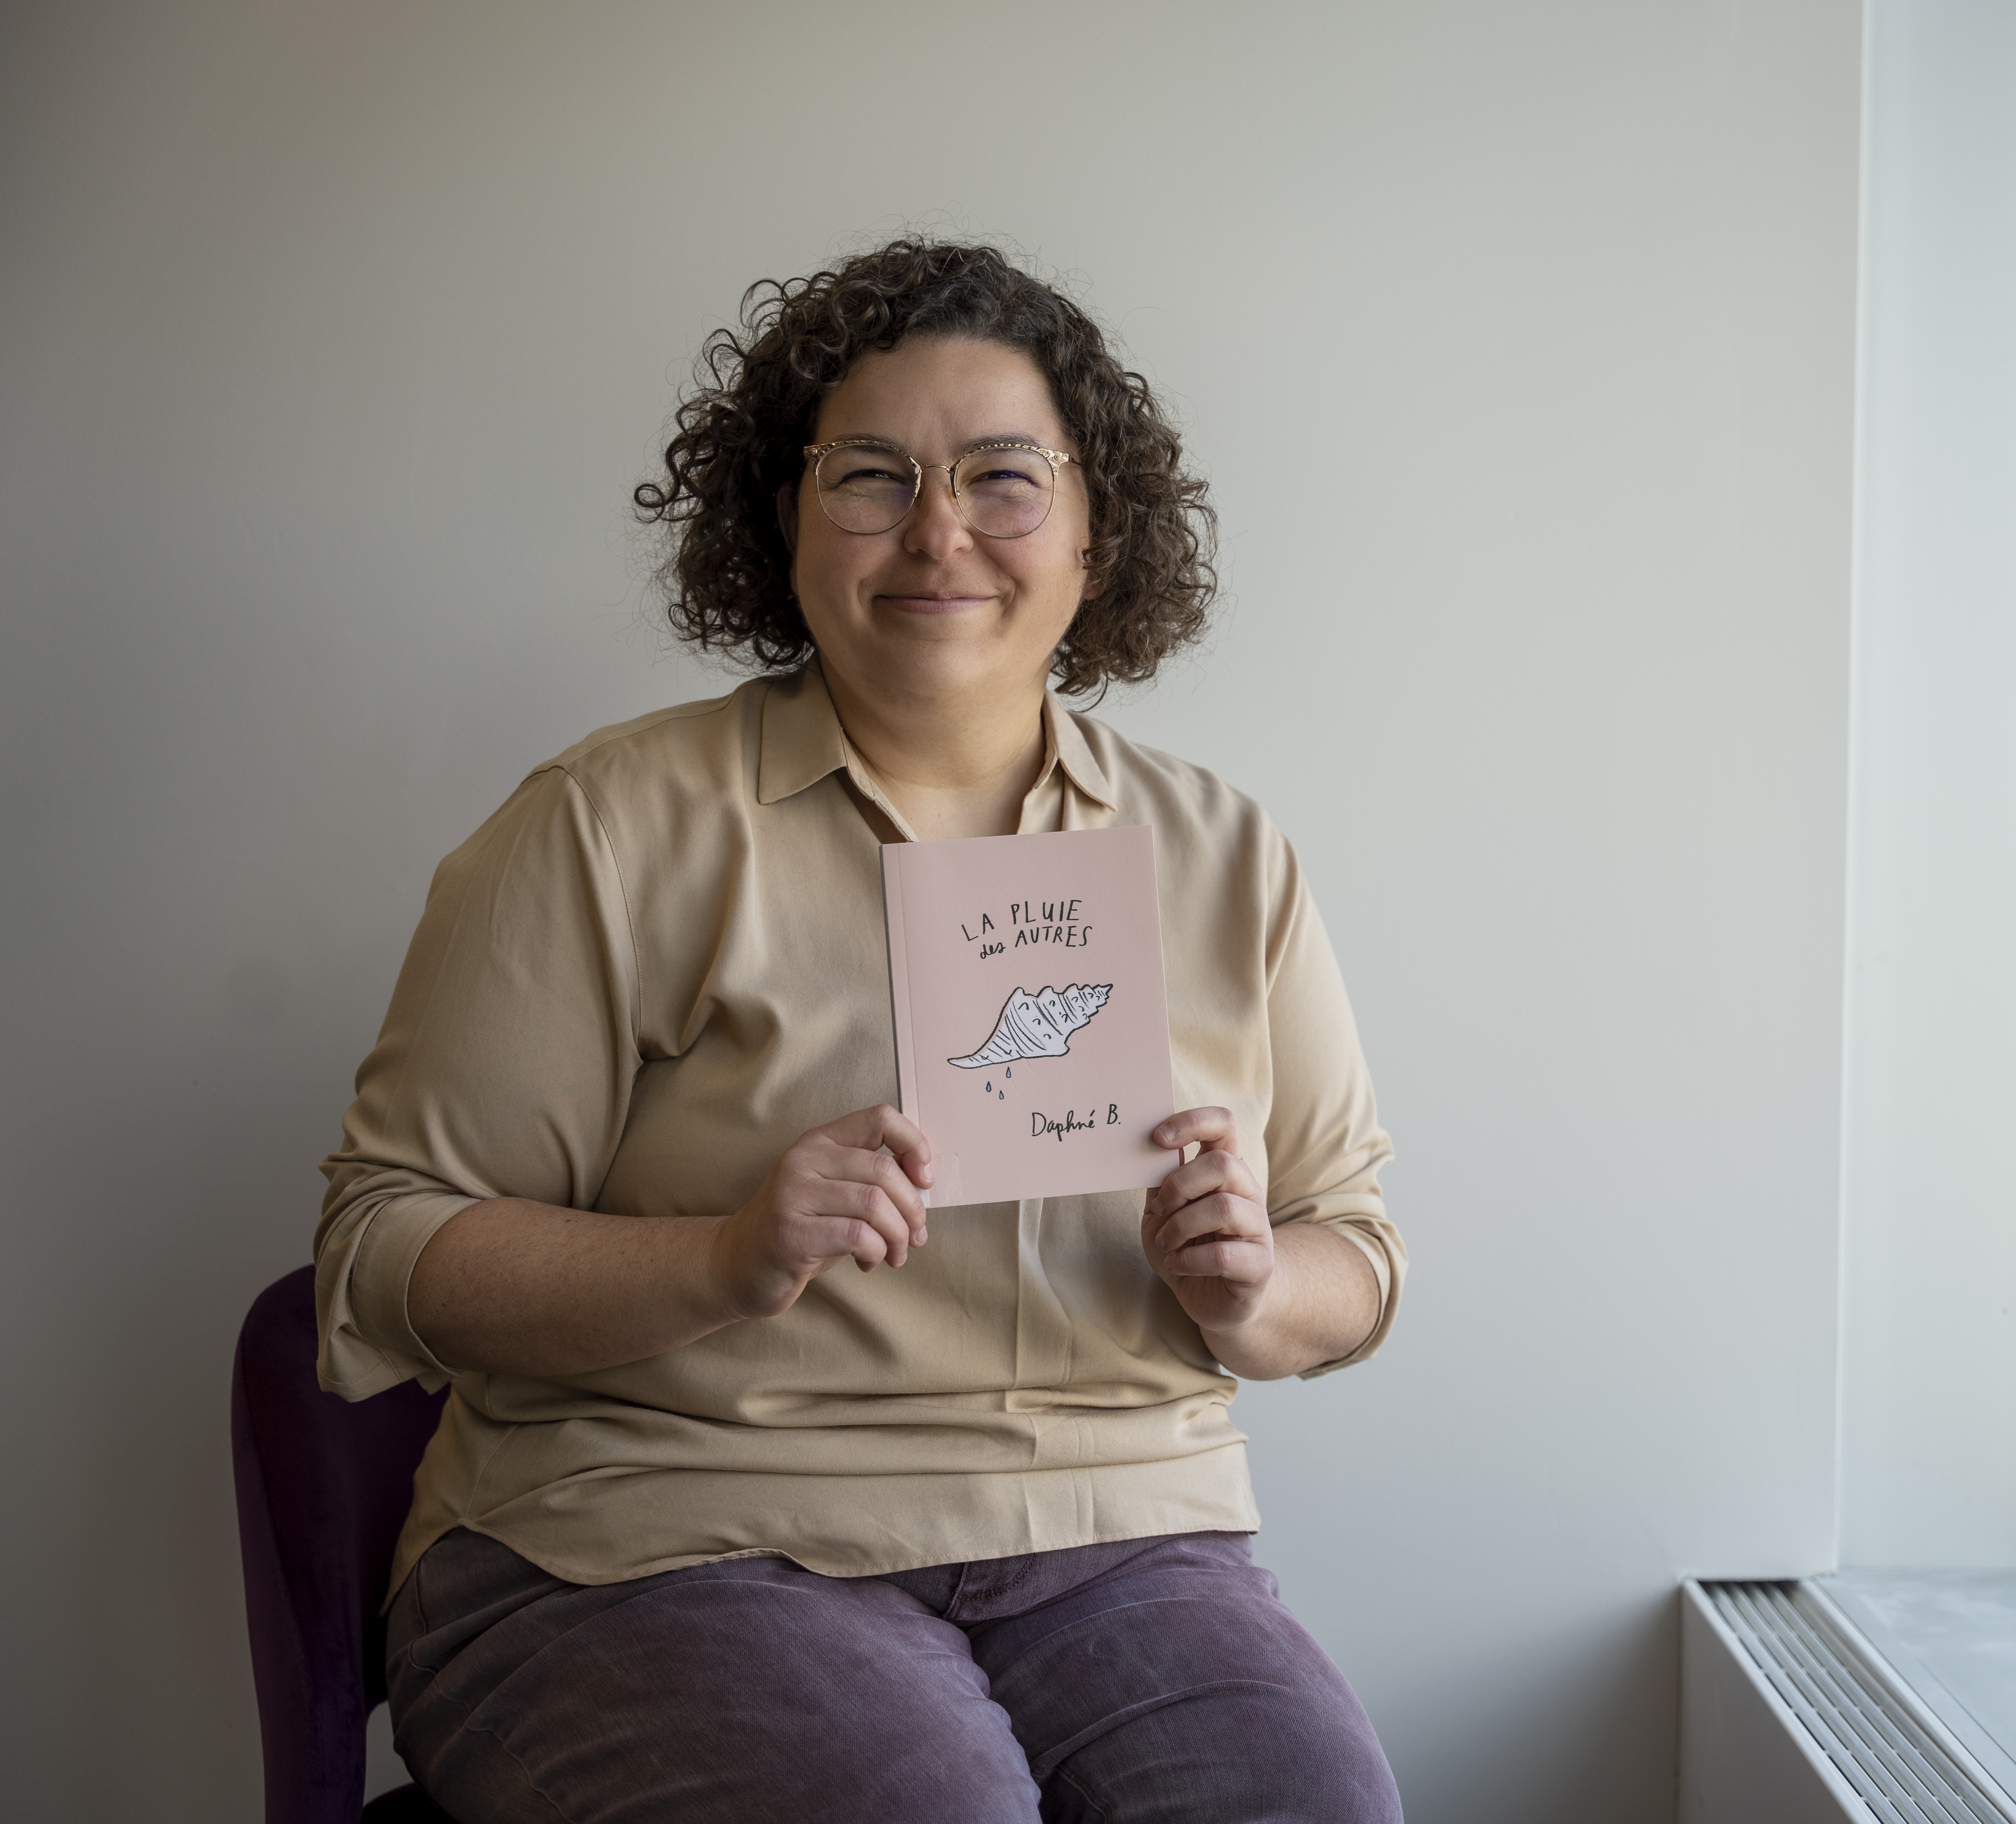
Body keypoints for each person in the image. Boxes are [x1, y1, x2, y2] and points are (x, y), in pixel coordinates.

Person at [313, 239, 1406, 1823]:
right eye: (872, 476)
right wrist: (724, 1254)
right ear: (784, 518)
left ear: (1100, 530)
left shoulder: (1223, 857)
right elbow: (381, 1249)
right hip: (659, 1537)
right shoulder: (606, 828)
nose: (938, 530)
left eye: (1002, 478)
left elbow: (1355, 1256)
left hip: (1118, 1541)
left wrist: (1246, 1281)